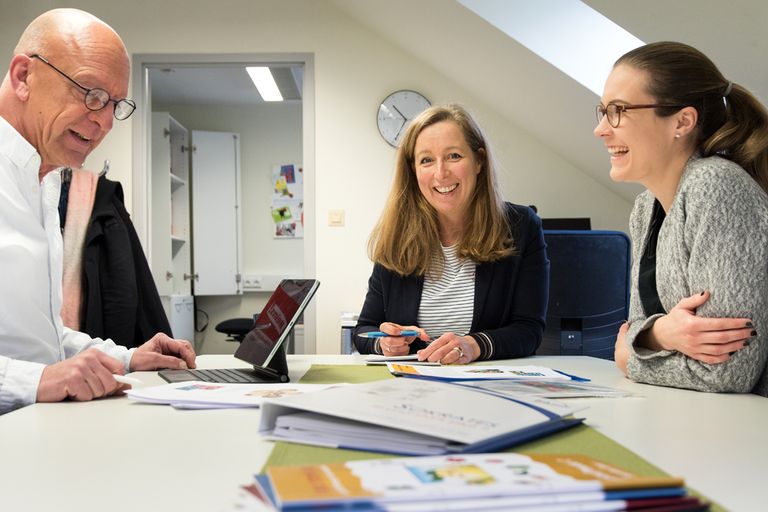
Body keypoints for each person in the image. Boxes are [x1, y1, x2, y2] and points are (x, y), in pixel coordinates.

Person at [0, 8, 196, 414]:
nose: (105, 121)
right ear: (23, 77)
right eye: (90, 94)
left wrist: (128, 357)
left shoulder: (45, 181)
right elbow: (37, 368)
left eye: (115, 104)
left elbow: (42, 340)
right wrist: (36, 380)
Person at [594, 41, 768, 395]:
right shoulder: (645, 207)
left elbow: (728, 373)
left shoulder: (715, 185)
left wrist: (634, 358)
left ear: (682, 121)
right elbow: (635, 330)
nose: (601, 129)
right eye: (603, 111)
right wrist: (660, 334)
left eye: (620, 110)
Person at [353, 104, 549, 364]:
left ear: (479, 161)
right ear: (413, 171)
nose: (441, 173)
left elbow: (529, 330)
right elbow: (364, 330)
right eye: (426, 160)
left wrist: (473, 345)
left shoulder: (521, 227)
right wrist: (386, 343)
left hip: (487, 392)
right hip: (410, 393)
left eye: (454, 156)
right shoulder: (397, 236)